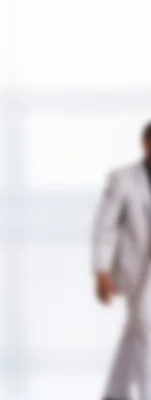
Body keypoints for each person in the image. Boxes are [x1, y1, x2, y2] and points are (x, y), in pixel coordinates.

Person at [93, 121, 151, 400]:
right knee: (145, 331)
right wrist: (101, 271)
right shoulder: (124, 179)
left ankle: (115, 394)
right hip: (134, 272)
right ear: (146, 144)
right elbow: (104, 227)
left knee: (137, 332)